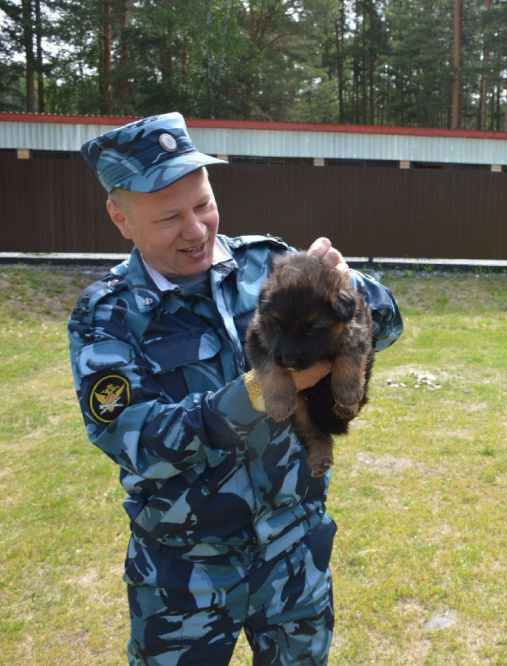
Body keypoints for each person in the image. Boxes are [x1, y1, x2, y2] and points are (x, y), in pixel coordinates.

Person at [67, 112, 403, 665]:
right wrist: (256, 392)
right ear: (119, 218)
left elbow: (387, 324)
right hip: (185, 575)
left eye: (202, 205)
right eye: (169, 217)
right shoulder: (107, 314)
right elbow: (134, 440)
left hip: (294, 554)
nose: (196, 230)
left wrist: (351, 286)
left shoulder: (266, 264)